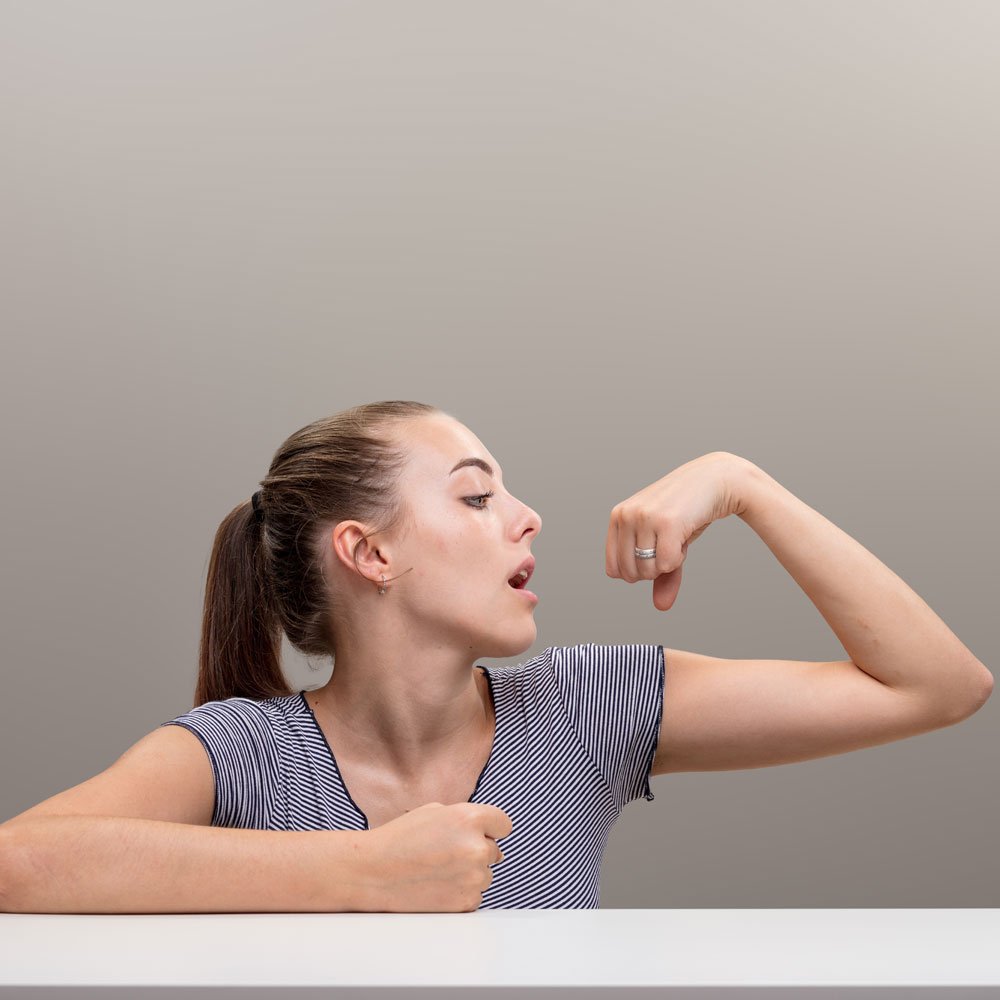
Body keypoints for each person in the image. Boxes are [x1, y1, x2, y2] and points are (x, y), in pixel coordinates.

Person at [1, 401, 992, 913]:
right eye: (475, 497)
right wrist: (363, 871)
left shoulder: (585, 709)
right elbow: (20, 862)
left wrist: (742, 485)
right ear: (368, 552)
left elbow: (936, 684)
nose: (525, 519)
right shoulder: (242, 750)